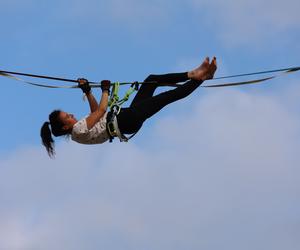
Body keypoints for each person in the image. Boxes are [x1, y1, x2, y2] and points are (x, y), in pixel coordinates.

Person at [40, 57, 217, 157]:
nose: (71, 114)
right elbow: (101, 111)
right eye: (67, 117)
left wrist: (87, 91)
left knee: (150, 80)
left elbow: (95, 113)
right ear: (65, 127)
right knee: (165, 98)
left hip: (125, 118)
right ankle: (201, 79)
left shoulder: (80, 128)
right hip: (125, 121)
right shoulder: (77, 131)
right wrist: (105, 90)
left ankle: (192, 74)